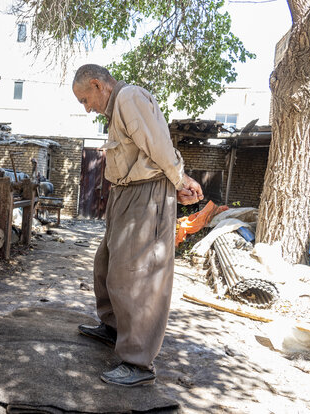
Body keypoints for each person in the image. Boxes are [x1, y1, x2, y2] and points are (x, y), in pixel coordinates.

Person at [72, 64, 203, 386]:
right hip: (125, 195)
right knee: (107, 265)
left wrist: (179, 180)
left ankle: (139, 362)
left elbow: (157, 145)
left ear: (97, 85)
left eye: (85, 99)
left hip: (146, 194)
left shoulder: (129, 96)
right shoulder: (117, 108)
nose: (87, 107)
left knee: (138, 275)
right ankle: (113, 327)